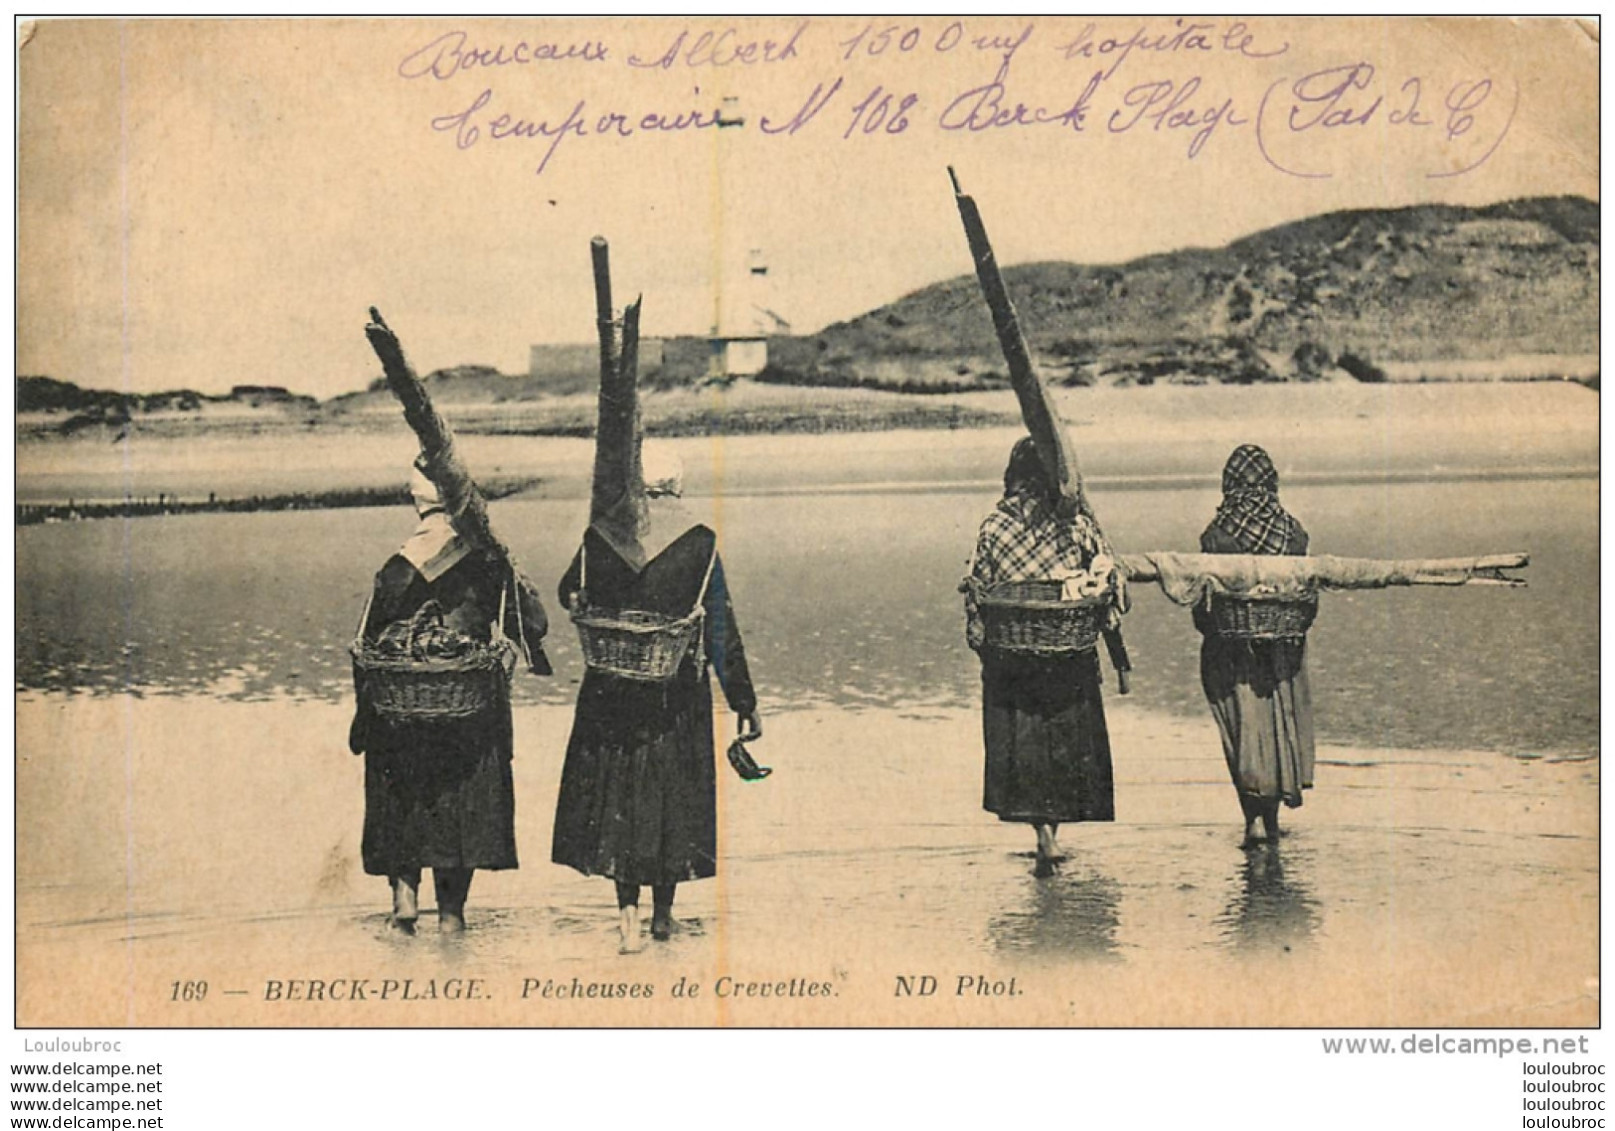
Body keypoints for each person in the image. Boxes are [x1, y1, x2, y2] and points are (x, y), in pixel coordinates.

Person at [552, 453, 761, 952]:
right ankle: (663, 919)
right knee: (668, 800)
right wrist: (744, 701)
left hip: (613, 693)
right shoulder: (700, 543)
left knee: (622, 801)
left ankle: (628, 923)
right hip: (676, 696)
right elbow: (720, 632)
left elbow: (566, 592)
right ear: (677, 488)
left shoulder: (602, 536)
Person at [349, 462, 550, 932]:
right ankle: (451, 918)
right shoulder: (485, 562)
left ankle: (403, 897)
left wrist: (363, 720)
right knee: (459, 810)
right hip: (468, 715)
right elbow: (533, 628)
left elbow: (366, 649)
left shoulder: (395, 567)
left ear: (418, 504)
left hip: (401, 714)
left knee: (401, 797)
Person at [964, 436, 1122, 877]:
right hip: (1066, 649)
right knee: (1063, 740)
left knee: (1027, 742)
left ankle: (1043, 837)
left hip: (1013, 656)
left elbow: (978, 587)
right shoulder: (1076, 524)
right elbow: (1104, 579)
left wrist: (980, 635)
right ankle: (1053, 833)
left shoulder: (993, 525)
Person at [1194, 444, 1316, 847]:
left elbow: (1203, 606)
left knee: (1244, 730)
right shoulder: (1293, 532)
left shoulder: (1216, 534)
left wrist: (1212, 627)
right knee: (1278, 724)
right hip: (1283, 648)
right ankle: (1272, 820)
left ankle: (1252, 822)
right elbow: (1309, 599)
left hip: (1230, 651)